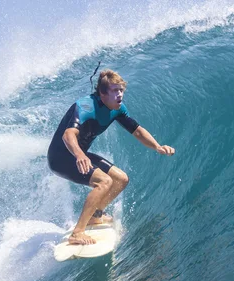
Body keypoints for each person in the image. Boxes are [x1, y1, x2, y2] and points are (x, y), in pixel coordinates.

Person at [47, 69, 175, 245]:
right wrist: (79, 155)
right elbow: (68, 135)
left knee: (120, 179)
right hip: (61, 157)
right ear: (102, 93)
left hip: (80, 154)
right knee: (104, 182)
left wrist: (157, 147)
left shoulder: (117, 109)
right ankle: (77, 232)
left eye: (121, 90)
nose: (120, 94)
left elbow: (137, 131)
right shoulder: (85, 106)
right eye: (115, 90)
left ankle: (95, 215)